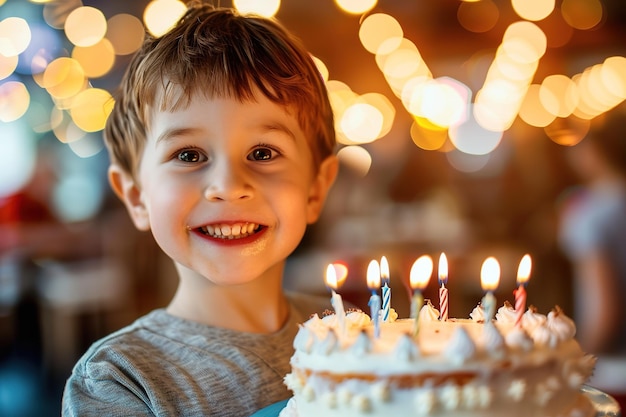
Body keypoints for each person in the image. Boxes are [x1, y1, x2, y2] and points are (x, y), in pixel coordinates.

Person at [62, 3, 339, 416]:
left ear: (315, 189)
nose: (228, 187)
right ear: (137, 197)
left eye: (263, 152)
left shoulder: (354, 335)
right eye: (189, 155)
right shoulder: (118, 382)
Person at [558, 107, 626, 356]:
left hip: (612, 363)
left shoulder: (588, 213)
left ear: (597, 152)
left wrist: (582, 357)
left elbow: (604, 309)